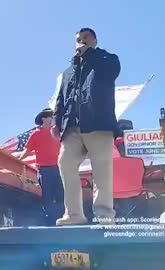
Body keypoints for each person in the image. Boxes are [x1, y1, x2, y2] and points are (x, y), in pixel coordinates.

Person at [52, 27, 121, 225]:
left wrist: (89, 54)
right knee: (65, 163)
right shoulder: (68, 72)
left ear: (95, 41)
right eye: (78, 39)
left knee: (101, 169)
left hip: (99, 124)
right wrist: (57, 122)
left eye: (86, 38)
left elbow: (111, 73)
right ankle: (74, 214)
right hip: (72, 128)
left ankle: (104, 216)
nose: (81, 42)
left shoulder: (107, 59)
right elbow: (61, 99)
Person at [19, 108, 65, 226]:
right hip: (44, 170)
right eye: (50, 116)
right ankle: (50, 221)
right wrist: (18, 160)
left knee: (61, 194)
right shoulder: (36, 133)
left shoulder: (58, 132)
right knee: (47, 195)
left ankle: (62, 218)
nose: (53, 118)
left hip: (59, 168)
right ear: (44, 118)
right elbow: (27, 150)